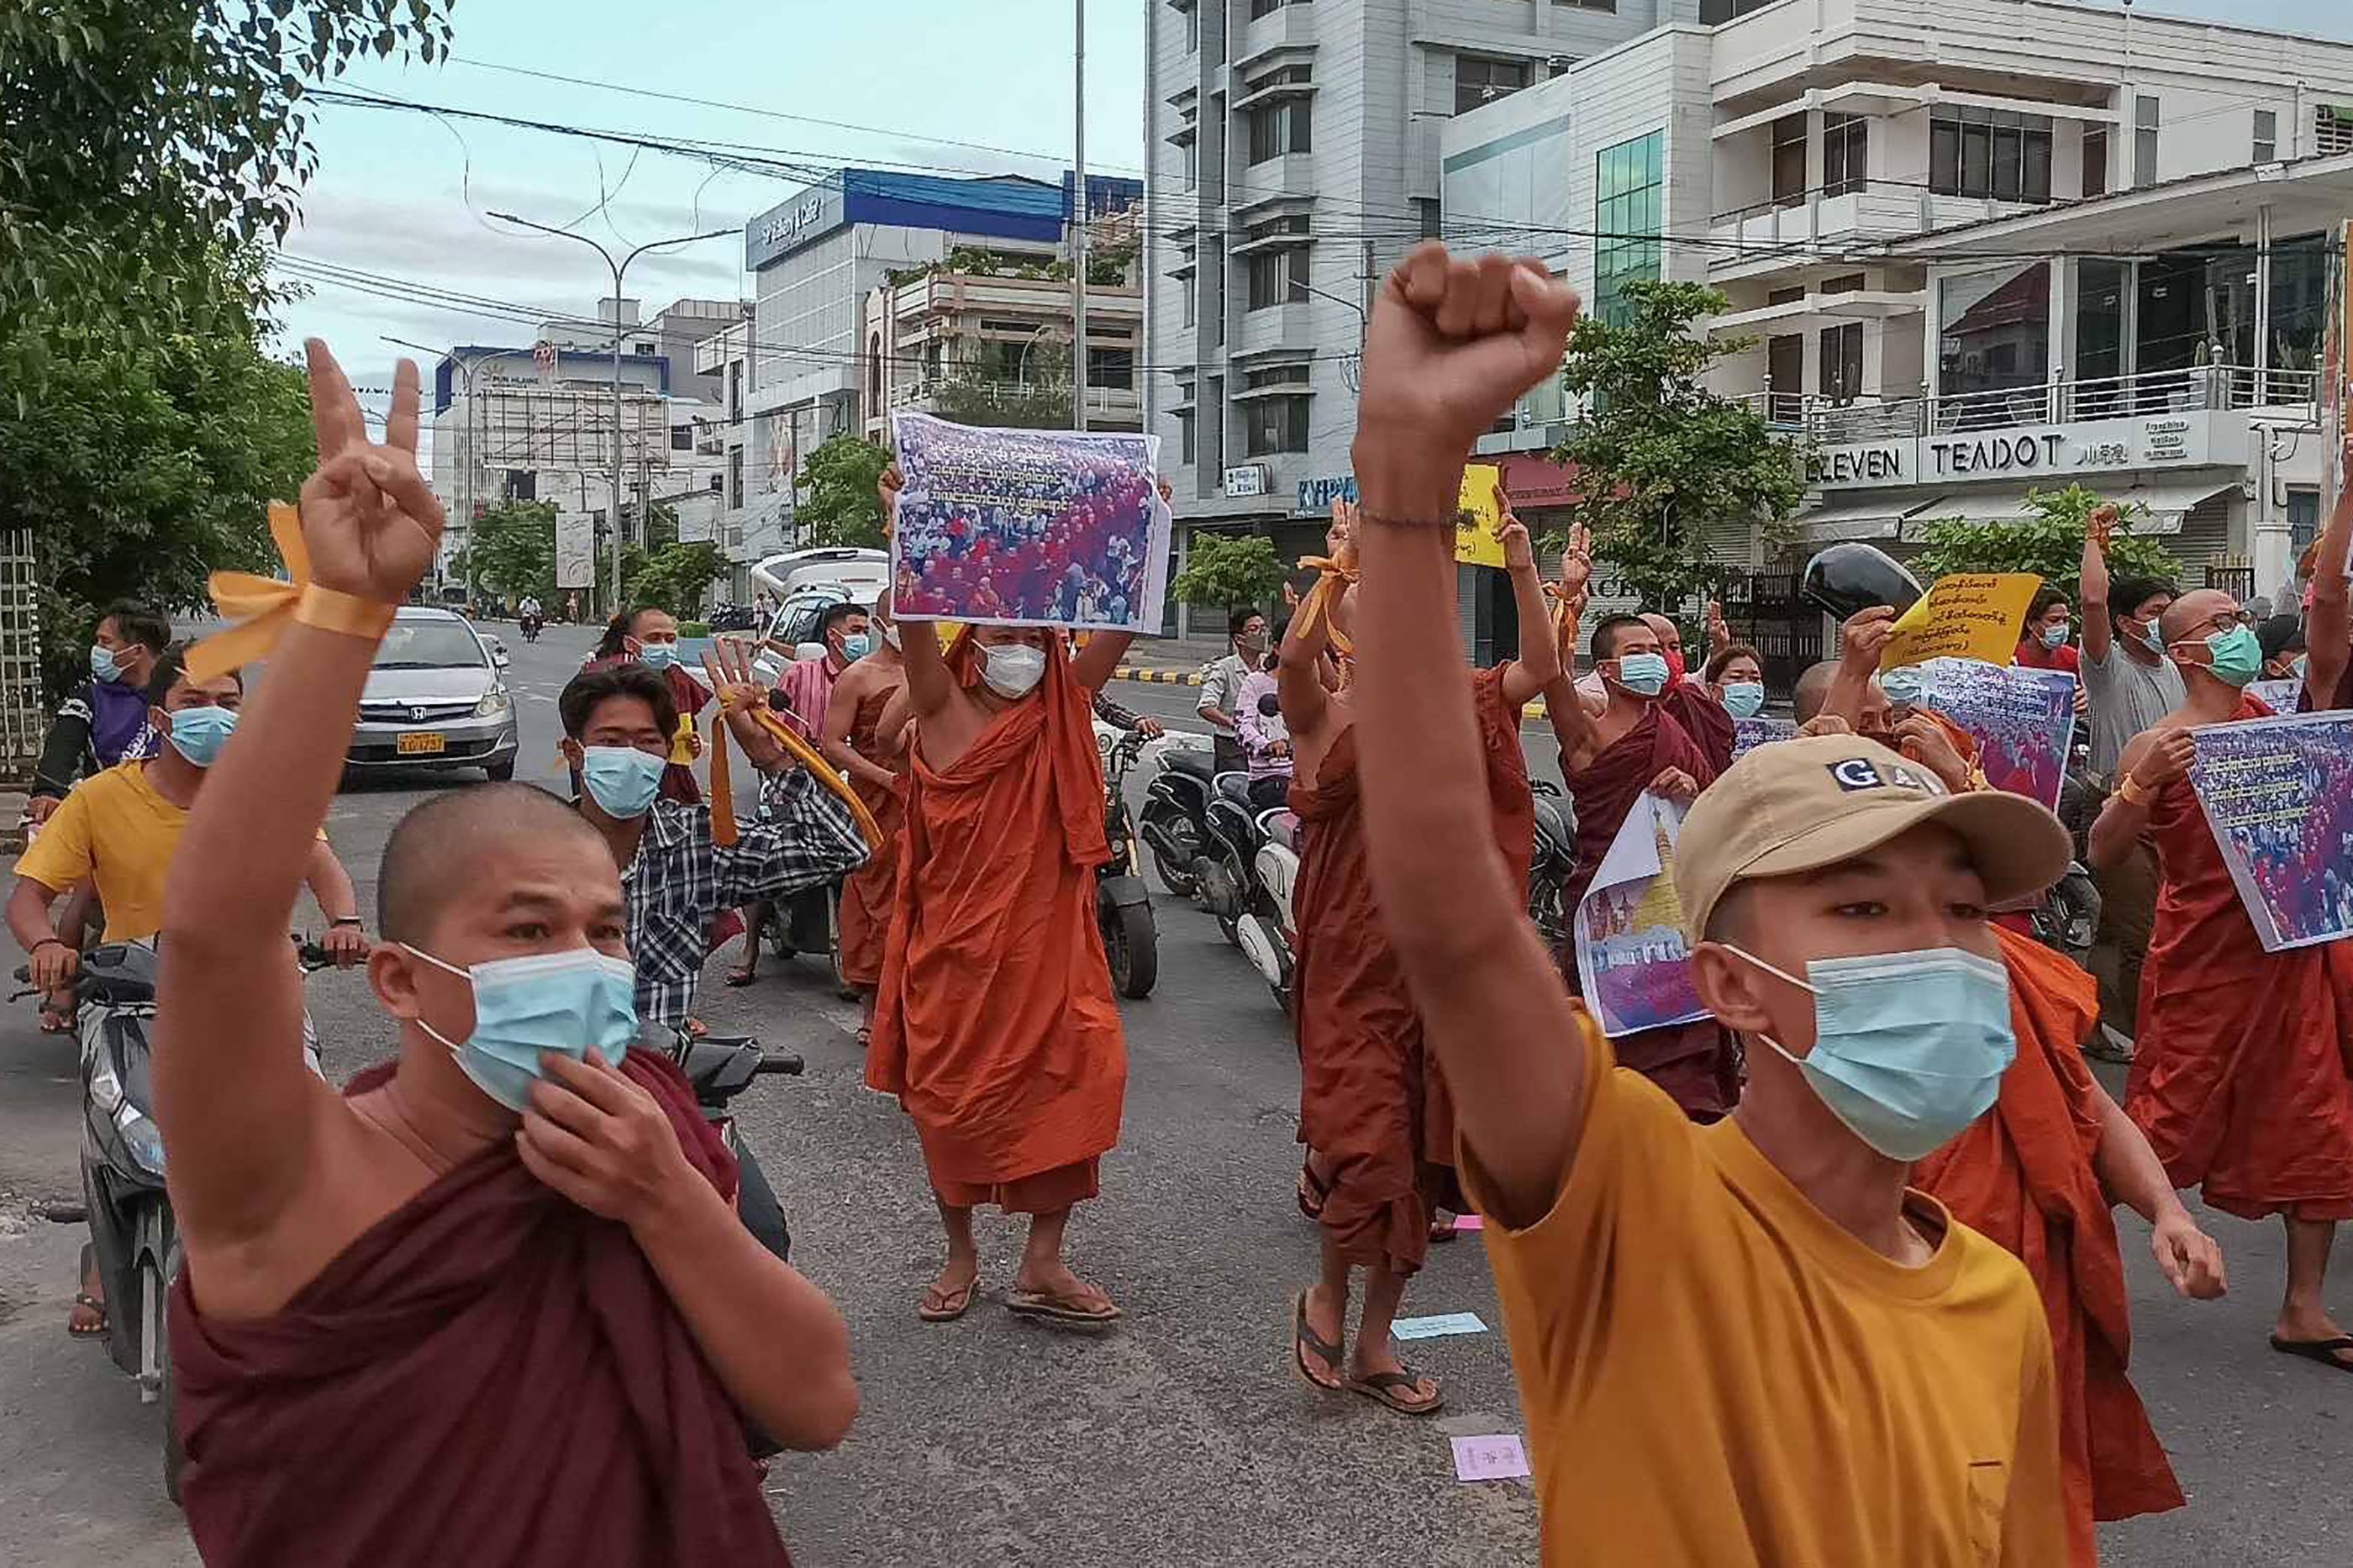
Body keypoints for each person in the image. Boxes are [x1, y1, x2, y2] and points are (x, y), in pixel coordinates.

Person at [1345, 241, 2068, 1564]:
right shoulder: (1631, 1198)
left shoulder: (2001, 1302)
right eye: (1863, 910)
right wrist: (1405, 476)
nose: (1941, 950)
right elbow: (1454, 922)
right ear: (1727, 978)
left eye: (1965, 910)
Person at [152, 342, 854, 1565]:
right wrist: (344, 613)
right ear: (400, 978)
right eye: (529, 931)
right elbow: (216, 935)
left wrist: (663, 1198)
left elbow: (818, 1403)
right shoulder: (301, 1177)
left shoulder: (650, 1129)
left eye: (603, 931)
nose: (583, 963)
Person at [1278, 498, 1555, 1418]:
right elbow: (1291, 663)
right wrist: (1341, 568)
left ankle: (1375, 1340)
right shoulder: (1324, 714)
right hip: (1353, 971)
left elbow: (1543, 667)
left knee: (1429, 1162)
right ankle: (1327, 1293)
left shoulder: (1463, 705)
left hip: (1442, 971)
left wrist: (1521, 564)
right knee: (1364, 1147)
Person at [10, 644, 370, 1337]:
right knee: (115, 1119)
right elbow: (29, 898)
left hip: (256, 990)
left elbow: (321, 866)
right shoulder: (100, 798)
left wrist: (345, 924)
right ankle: (103, 1258)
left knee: (299, 1126)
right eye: (194, 703)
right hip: (127, 994)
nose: (213, 716)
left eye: (228, 704)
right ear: (159, 717)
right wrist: (47, 946)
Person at [2090, 484, 2353, 1375]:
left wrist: (2347, 494)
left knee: (2317, 1120)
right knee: (2159, 1121)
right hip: (2203, 959)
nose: (2243, 629)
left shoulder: (2274, 722)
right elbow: (2101, 852)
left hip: (2290, 955)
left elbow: (2326, 613)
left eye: (2242, 617)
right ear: (2188, 651)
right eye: (2225, 621)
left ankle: (2303, 1308)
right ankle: (2057, 1255)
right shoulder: (2160, 743)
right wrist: (2140, 786)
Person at [868, 470, 1137, 1329]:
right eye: (1000, 633)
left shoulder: (1063, 702)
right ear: (971, 643)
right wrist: (907, 529)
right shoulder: (939, 704)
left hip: (1050, 950)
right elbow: (916, 624)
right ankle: (960, 1254)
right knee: (948, 1105)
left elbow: (1121, 620)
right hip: (955, 953)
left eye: (1031, 633)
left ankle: (1043, 1260)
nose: (1018, 647)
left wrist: (1146, 525)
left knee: (1082, 1076)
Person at [559, 653, 866, 1033]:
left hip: (658, 1064)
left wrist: (769, 757)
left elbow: (840, 849)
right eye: (611, 741)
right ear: (574, 752)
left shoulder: (699, 843)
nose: (631, 756)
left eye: (647, 742)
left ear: (667, 751)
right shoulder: (527, 852)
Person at [1544, 572, 1738, 1119]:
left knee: (1691, 1038)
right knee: (1614, 1044)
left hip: (1676, 909)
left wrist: (1692, 787)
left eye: (1658, 650)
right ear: (1607, 670)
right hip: (1611, 907)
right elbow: (1551, 676)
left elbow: (1713, 809)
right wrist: (1565, 609)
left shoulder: (1675, 728)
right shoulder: (1589, 734)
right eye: (1637, 653)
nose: (1654, 660)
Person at [2076, 517, 2184, 1055]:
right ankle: (2150, 1042)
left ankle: (2092, 1018)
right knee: (2140, 931)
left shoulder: (2175, 668)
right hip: (2119, 807)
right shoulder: (2107, 668)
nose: (2164, 622)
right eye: (2154, 613)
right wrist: (2094, 541)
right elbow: (2093, 602)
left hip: (2171, 811)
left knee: (2129, 926)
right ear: (2124, 623)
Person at [729, 600, 871, 986]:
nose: (862, 638)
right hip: (796, 778)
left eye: (865, 631)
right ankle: (750, 948)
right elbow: (771, 725)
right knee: (761, 850)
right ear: (833, 635)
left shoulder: (870, 676)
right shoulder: (800, 674)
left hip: (851, 782)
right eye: (856, 630)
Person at [816, 597, 908, 1043]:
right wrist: (885, 778)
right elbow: (833, 744)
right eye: (900, 617)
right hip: (876, 799)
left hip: (928, 794)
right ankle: (873, 1009)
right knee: (877, 899)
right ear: (880, 622)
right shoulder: (859, 676)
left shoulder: (937, 672)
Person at [29, 602, 172, 826]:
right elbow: (62, 745)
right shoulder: (89, 699)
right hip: (107, 815)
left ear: (137, 651)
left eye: (105, 642)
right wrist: (47, 792)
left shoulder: (179, 696)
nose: (97, 650)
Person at [583, 608, 713, 805]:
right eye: (654, 639)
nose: (664, 646)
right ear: (630, 644)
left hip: (673, 784)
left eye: (670, 639)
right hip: (624, 781)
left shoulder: (679, 680)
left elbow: (687, 726)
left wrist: (693, 744)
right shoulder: (608, 680)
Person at [1198, 608, 1266, 773]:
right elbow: (1205, 707)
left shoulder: (1270, 665)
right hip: (1233, 747)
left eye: (1263, 629)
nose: (1262, 634)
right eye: (1254, 629)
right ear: (1239, 639)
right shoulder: (1224, 669)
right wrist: (1235, 724)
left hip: (1265, 744)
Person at [2017, 585, 2081, 674]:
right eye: (2054, 620)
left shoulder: (2073, 660)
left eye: (2065, 620)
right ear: (2031, 623)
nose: (2062, 625)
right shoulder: (2009, 657)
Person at [1702, 642, 1766, 719]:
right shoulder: (1698, 722)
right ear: (1712, 689)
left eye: (1755, 678)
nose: (1747, 683)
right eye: (1736, 677)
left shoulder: (1768, 725)